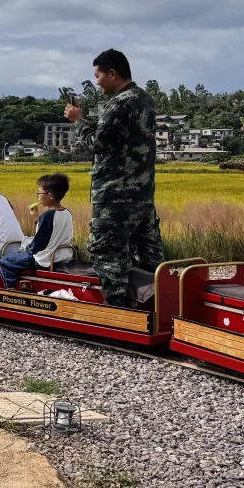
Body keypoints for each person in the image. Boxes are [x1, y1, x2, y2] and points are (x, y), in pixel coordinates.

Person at [65, 48, 162, 307]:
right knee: (148, 253)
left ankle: (118, 311)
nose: (97, 82)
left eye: (98, 76)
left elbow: (98, 143)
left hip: (115, 194)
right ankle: (158, 302)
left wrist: (78, 120)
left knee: (108, 252)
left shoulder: (119, 103)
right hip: (142, 192)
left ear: (112, 73)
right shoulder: (144, 99)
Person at [0, 173, 76, 289]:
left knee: (5, 261)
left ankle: (11, 292)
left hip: (45, 258)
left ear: (50, 196)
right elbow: (50, 232)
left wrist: (27, 249)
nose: (38, 196)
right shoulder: (66, 213)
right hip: (61, 255)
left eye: (40, 193)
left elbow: (39, 244)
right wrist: (36, 218)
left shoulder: (48, 215)